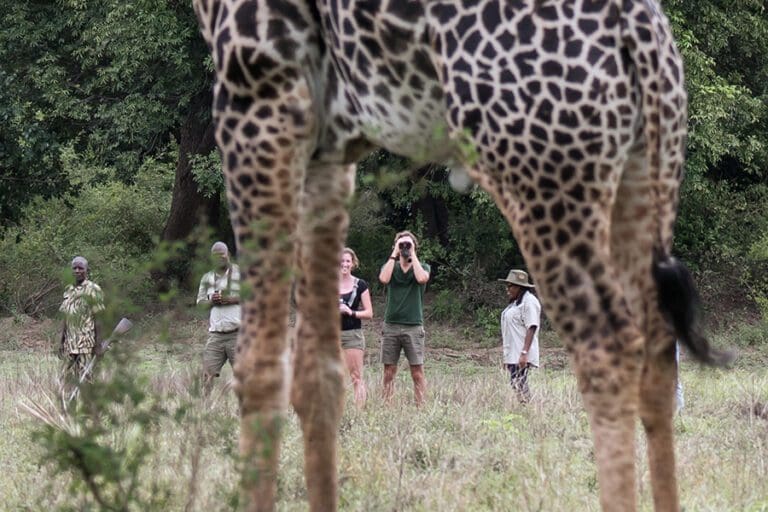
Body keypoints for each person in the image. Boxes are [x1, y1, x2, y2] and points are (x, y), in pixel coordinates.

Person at [378, 230, 431, 405]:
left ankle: (420, 407)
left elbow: (422, 279)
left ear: (415, 247)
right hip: (391, 324)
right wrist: (395, 253)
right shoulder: (390, 267)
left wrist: (412, 254)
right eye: (402, 244)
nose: (405, 247)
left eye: (408, 244)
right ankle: (387, 406)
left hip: (413, 325)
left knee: (417, 371)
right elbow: (383, 279)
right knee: (389, 371)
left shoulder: (422, 266)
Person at [196, 241, 241, 395]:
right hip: (216, 335)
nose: (220, 259)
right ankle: (205, 409)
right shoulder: (207, 278)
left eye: (222, 256)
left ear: (227, 254)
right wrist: (212, 301)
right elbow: (200, 304)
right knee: (206, 375)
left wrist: (231, 299)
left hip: (237, 333)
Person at [59, 256, 105, 386]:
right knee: (65, 380)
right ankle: (68, 405)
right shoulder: (68, 289)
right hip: (69, 344)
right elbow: (65, 317)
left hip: (86, 345)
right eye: (75, 268)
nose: (77, 271)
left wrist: (98, 344)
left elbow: (99, 318)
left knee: (86, 379)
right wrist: (60, 341)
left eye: (81, 268)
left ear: (87, 270)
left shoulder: (93, 289)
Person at [498, 269, 541, 403]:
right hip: (513, 352)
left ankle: (526, 406)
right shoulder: (516, 302)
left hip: (521, 352)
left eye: (510, 286)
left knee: (519, 381)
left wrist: (524, 353)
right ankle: (523, 405)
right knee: (515, 382)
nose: (508, 289)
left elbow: (532, 326)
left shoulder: (529, 302)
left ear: (519, 287)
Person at [339, 247, 373, 407]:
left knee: (356, 376)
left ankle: (360, 412)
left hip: (352, 334)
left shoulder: (360, 285)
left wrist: (351, 312)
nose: (344, 264)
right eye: (341, 260)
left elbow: (369, 313)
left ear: (353, 264)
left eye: (347, 261)